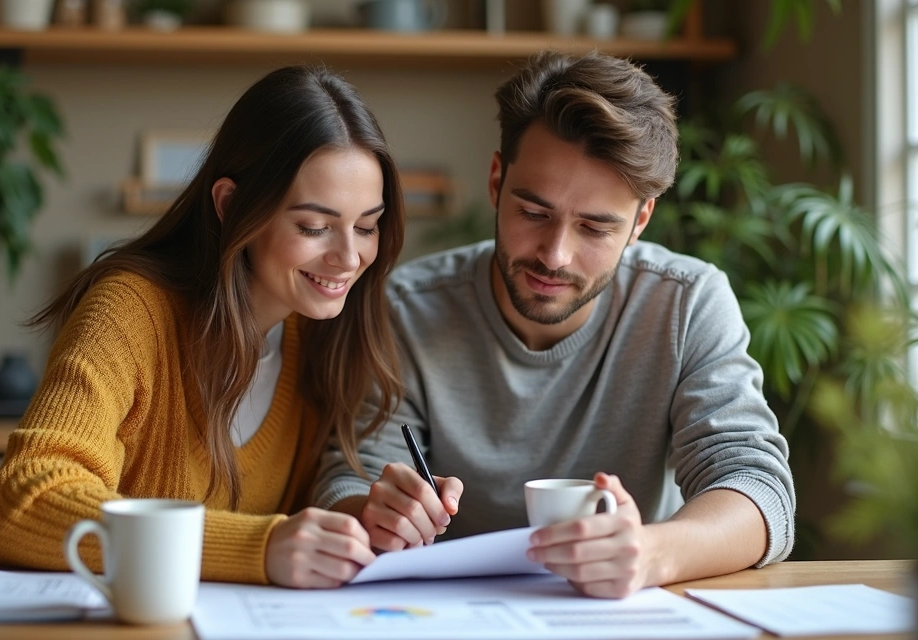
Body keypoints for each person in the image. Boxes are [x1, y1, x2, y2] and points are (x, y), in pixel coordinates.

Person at [313, 51, 796, 598]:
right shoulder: (405, 307)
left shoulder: (686, 304)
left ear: (640, 220)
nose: (555, 256)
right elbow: (348, 478)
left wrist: (650, 554)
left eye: (594, 228)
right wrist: (372, 510)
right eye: (534, 213)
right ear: (497, 182)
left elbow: (757, 489)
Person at [0, 65, 406, 588]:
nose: (349, 257)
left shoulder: (322, 335)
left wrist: (367, 520)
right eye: (314, 227)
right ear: (232, 205)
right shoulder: (128, 313)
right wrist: (258, 547)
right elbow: (26, 499)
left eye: (367, 226)